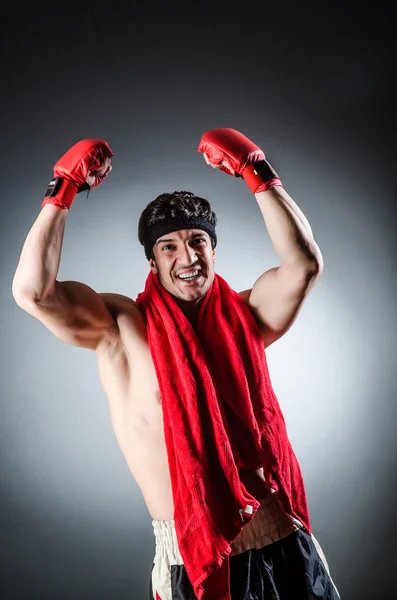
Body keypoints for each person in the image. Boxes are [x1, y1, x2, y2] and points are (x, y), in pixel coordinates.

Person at [12, 130, 340, 600]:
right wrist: (61, 189)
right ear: (151, 261)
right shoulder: (120, 328)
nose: (187, 257)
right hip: (195, 555)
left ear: (213, 249)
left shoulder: (245, 316)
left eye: (198, 241)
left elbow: (304, 265)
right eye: (169, 246)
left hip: (285, 540)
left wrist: (258, 173)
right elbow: (33, 293)